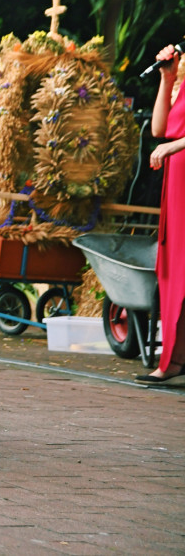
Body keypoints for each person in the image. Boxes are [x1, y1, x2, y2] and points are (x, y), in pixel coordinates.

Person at [137, 43, 185, 387]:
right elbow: (158, 129)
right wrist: (167, 78)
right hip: (177, 185)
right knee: (174, 270)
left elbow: (169, 140)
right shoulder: (181, 81)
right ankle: (173, 359)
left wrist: (176, 145)